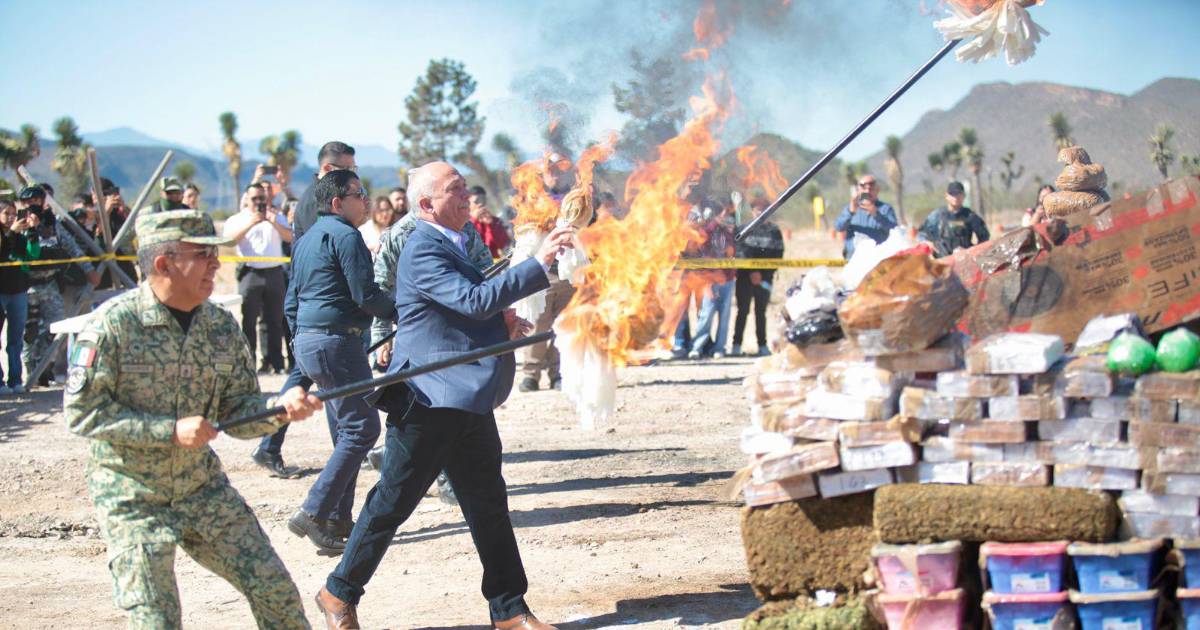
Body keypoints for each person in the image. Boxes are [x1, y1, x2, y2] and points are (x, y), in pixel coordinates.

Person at [313, 161, 570, 630]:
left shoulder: (453, 245)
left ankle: (510, 610)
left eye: (465, 187)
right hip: (426, 399)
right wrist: (541, 263)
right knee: (392, 502)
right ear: (427, 205)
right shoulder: (421, 249)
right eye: (454, 190)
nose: (466, 195)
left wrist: (503, 322)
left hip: (465, 396)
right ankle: (337, 592)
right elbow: (473, 301)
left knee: (489, 504)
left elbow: (463, 307)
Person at [63, 209, 322, 629]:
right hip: (133, 497)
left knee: (275, 590)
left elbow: (236, 410)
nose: (216, 264)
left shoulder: (219, 326)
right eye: (203, 255)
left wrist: (280, 408)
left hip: (201, 489)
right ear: (164, 263)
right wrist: (168, 431)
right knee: (156, 619)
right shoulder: (113, 326)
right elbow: (82, 412)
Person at [285, 169, 396, 555]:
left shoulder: (305, 240)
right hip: (337, 344)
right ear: (337, 202)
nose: (365, 200)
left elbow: (291, 302)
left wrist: (302, 344)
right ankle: (315, 511)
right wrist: (406, 310)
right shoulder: (347, 236)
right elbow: (366, 295)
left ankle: (336, 519)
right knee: (362, 431)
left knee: (346, 431)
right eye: (358, 193)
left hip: (312, 342)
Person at [251, 141, 357, 478]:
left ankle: (269, 445)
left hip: (312, 300)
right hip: (315, 300)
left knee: (305, 373)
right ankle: (343, 451)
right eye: (346, 169)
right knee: (326, 380)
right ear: (328, 169)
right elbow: (321, 253)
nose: (352, 174)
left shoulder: (317, 196)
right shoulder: (318, 201)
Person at [16, 186, 100, 387]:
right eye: (28, 201)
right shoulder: (17, 224)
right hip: (27, 286)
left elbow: (72, 247)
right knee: (30, 332)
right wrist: (25, 228)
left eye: (37, 199)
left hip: (50, 284)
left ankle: (45, 368)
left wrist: (88, 269)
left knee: (55, 328)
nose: (32, 204)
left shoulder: (53, 223)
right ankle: (31, 370)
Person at [519, 152, 575, 392]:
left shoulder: (574, 198)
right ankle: (531, 374)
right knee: (537, 324)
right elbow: (523, 230)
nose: (554, 172)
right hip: (541, 271)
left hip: (567, 271)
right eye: (550, 168)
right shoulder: (532, 197)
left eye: (558, 168)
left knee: (563, 326)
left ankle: (557, 373)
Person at [223, 183, 291, 374]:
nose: (259, 202)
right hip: (250, 272)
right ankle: (249, 361)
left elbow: (289, 237)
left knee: (274, 320)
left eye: (262, 198)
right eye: (255, 199)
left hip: (274, 272)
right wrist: (251, 223)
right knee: (249, 319)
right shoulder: (237, 219)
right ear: (247, 199)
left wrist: (273, 222)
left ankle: (275, 362)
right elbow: (229, 241)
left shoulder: (276, 216)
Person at [732, 196, 785, 357]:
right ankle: (736, 345)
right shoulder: (742, 229)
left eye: (764, 209)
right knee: (743, 311)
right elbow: (739, 252)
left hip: (765, 279)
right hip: (744, 278)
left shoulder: (774, 232)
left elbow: (778, 255)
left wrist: (763, 274)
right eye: (757, 208)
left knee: (761, 312)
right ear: (752, 210)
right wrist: (751, 272)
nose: (760, 211)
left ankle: (762, 345)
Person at [0, 199, 40, 394]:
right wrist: (10, 234)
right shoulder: (5, 235)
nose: (10, 218)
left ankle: (15, 379)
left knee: (15, 339)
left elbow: (33, 256)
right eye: (6, 213)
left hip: (18, 291)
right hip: (1, 291)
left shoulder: (20, 237)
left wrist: (32, 233)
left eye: (13, 214)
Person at [687, 201, 736, 359]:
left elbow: (733, 251)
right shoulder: (706, 231)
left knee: (724, 317)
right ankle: (697, 347)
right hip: (710, 280)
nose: (725, 216)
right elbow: (703, 240)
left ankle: (719, 348)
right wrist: (716, 221)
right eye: (722, 213)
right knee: (706, 315)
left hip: (727, 279)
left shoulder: (728, 232)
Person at [918, 181, 990, 257]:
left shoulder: (970, 216)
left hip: (964, 260)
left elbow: (984, 237)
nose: (956, 197)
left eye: (959, 194)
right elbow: (922, 233)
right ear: (946, 196)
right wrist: (927, 243)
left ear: (964, 196)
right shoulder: (937, 216)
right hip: (943, 260)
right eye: (952, 194)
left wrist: (971, 251)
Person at [834, 174, 899, 259]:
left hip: (878, 259)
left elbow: (895, 230)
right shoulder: (851, 208)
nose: (868, 191)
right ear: (858, 190)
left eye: (871, 188)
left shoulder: (885, 209)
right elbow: (839, 227)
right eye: (864, 188)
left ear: (877, 190)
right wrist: (850, 212)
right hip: (854, 259)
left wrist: (876, 214)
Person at [468, 185, 511, 258]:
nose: (480, 204)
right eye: (476, 201)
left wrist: (490, 225)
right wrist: (474, 220)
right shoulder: (464, 225)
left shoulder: (495, 221)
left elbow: (503, 245)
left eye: (483, 200)